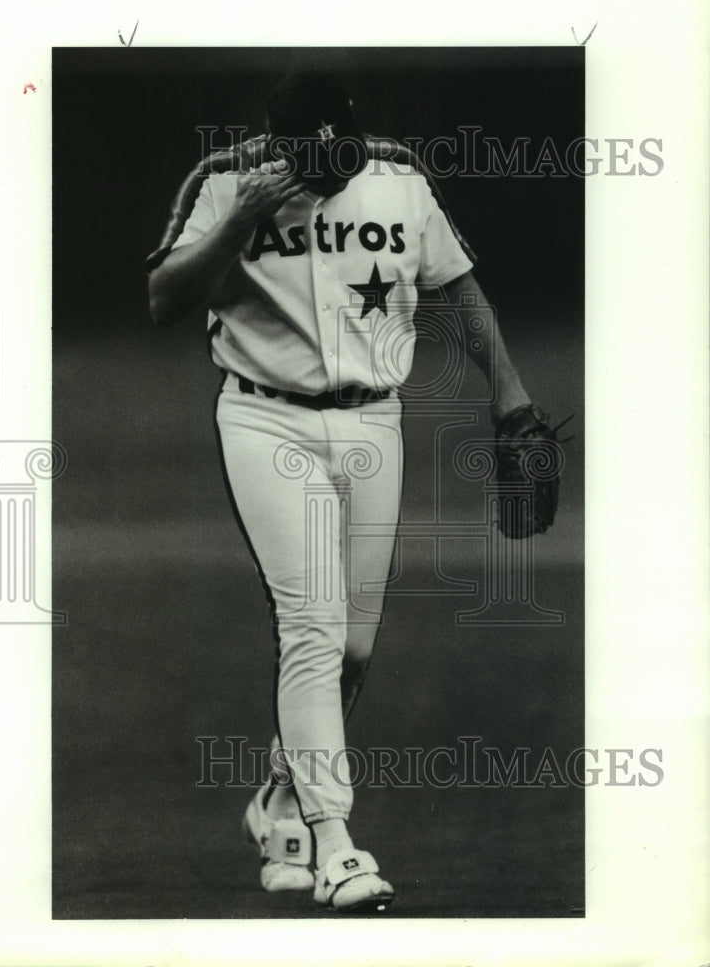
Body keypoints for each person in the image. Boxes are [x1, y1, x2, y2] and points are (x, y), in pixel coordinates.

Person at [147, 72, 532, 912]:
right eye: (310, 157)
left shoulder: (397, 176)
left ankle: (280, 804)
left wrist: (511, 400)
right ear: (279, 146)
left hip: (374, 423)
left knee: (354, 648)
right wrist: (243, 219)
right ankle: (337, 844)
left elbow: (458, 287)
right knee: (313, 629)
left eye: (338, 152)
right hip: (266, 422)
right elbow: (165, 298)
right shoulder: (223, 181)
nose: (329, 168)